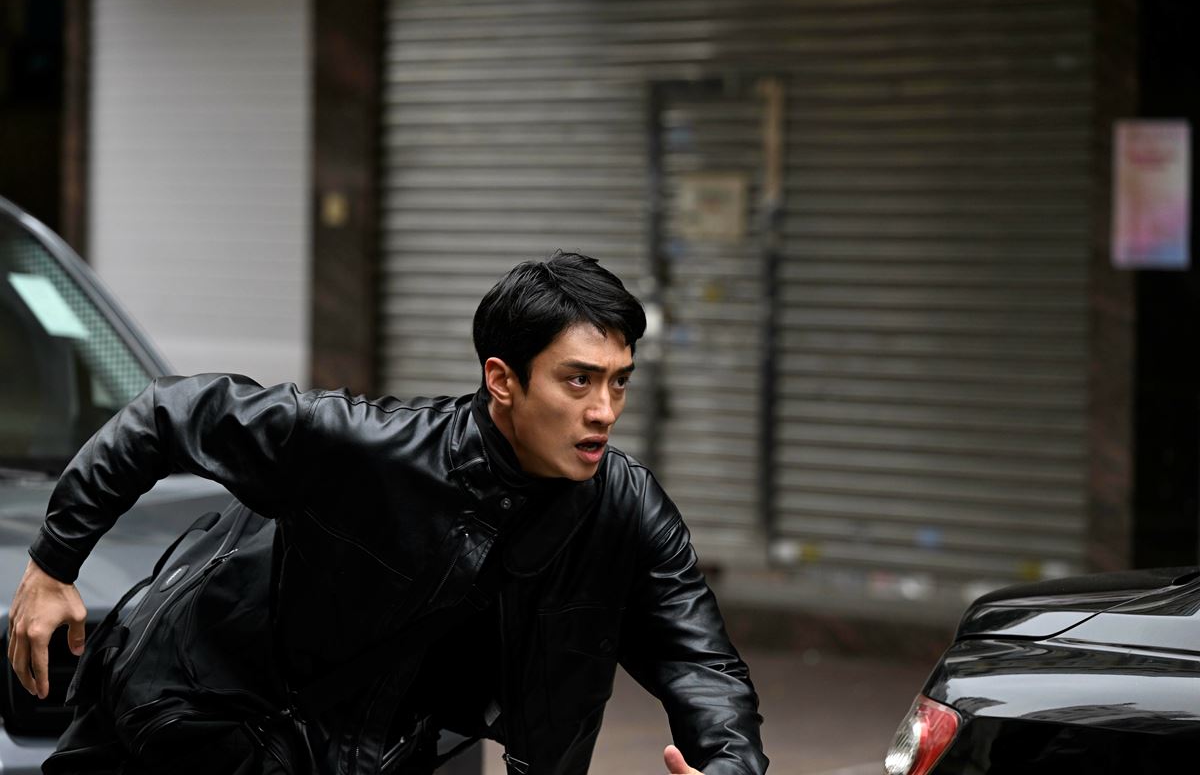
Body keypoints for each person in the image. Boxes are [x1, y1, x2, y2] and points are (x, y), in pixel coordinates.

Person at [7, 251, 767, 775]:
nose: (604, 410)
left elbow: (699, 659)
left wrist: (729, 763)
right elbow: (170, 412)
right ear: (502, 380)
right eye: (578, 381)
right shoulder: (372, 448)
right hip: (198, 717)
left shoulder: (624, 508)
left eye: (619, 381)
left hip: (368, 748)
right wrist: (52, 567)